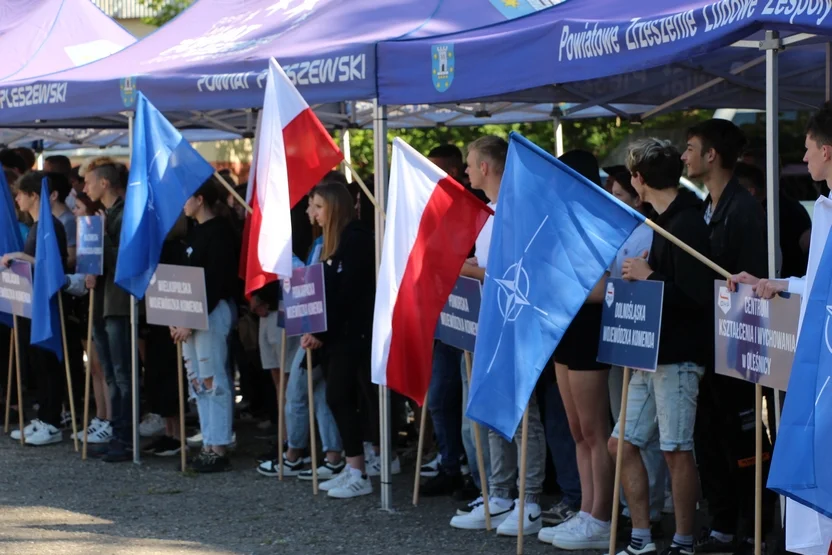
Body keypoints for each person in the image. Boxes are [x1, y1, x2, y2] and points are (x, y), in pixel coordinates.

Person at [732, 102, 832, 555]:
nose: (805, 158)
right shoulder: (825, 209)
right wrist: (774, 284)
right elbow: (818, 284)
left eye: (809, 149)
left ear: (827, 151)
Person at [610, 139, 712, 555]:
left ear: (638, 179)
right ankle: (641, 537)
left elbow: (696, 295)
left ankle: (684, 542)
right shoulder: (658, 219)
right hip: (648, 354)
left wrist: (649, 277)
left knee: (675, 450)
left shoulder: (686, 223)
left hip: (678, 357)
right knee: (621, 444)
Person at [451, 136, 548, 537]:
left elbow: (521, 277)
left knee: (525, 417)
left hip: (517, 328)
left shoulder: (517, 211)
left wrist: (474, 271)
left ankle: (530, 500)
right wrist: (477, 266)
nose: (467, 171)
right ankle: (500, 494)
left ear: (487, 167)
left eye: (471, 165)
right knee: (490, 410)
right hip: (488, 328)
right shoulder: (489, 213)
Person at [683, 119, 770, 555]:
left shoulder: (743, 208)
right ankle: (721, 525)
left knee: (743, 441)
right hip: (710, 345)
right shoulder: (706, 205)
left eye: (690, 148)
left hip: (741, 346)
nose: (684, 156)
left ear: (711, 155)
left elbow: (753, 283)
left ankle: (753, 526)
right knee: (710, 440)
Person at [539, 150, 614, 550]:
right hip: (564, 331)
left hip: (588, 333)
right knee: (576, 431)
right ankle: (586, 511)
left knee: (594, 430)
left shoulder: (597, 221)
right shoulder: (560, 220)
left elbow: (604, 288)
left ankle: (601, 516)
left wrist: (559, 287)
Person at [300, 181, 377, 499]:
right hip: (336, 337)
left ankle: (359, 471)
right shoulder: (329, 242)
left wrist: (320, 331)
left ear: (334, 207)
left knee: (341, 397)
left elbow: (348, 295)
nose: (312, 213)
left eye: (318, 206)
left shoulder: (356, 239)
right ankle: (353, 467)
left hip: (352, 335)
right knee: (338, 398)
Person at [605, 167, 668, 531]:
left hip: (644, 340)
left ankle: (652, 508)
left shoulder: (650, 231)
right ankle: (634, 506)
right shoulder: (621, 232)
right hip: (619, 336)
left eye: (619, 194)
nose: (614, 201)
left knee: (646, 437)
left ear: (636, 196)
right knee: (622, 427)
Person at [421, 144, 477, 498]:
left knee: (469, 401)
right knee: (440, 396)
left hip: (471, 320)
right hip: (443, 318)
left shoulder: (476, 209)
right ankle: (449, 464)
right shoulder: (431, 210)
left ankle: (477, 473)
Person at [172, 178, 239, 473]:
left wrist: (190, 318)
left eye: (186, 197)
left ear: (200, 199)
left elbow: (216, 280)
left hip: (211, 314)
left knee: (214, 380)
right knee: (198, 382)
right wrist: (178, 316)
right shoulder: (195, 231)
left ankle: (219, 445)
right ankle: (209, 441)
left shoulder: (221, 232)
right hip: (191, 316)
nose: (182, 204)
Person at [2, 172, 69, 446]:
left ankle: (52, 422)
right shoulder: (35, 226)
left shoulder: (50, 226)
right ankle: (44, 417)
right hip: (32, 304)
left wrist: (18, 256)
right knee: (37, 363)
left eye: (20, 194)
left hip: (48, 306)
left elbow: (52, 265)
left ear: (33, 196)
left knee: (47, 362)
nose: (16, 199)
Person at [82, 157, 133, 463]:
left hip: (119, 302)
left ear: (104, 183)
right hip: (103, 300)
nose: (84, 187)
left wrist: (101, 235)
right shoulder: (105, 214)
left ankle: (125, 437)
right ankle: (116, 431)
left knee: (123, 374)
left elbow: (127, 256)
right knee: (111, 374)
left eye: (89, 182)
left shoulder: (125, 212)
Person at [66, 192, 112, 446]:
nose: (75, 212)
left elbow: (90, 276)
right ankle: (100, 415)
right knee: (94, 367)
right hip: (84, 305)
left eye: (79, 207)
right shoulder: (84, 235)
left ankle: (109, 419)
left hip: (98, 302)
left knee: (103, 366)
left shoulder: (95, 233)